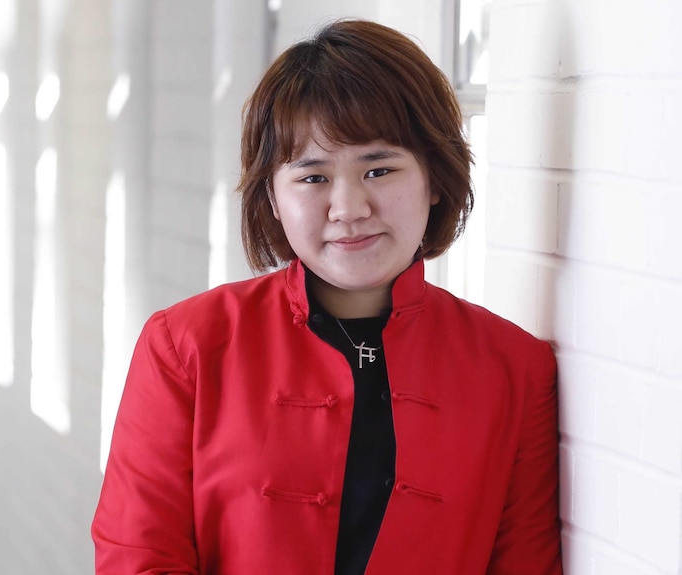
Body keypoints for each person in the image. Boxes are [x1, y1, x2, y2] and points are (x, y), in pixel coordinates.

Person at [92, 19, 562, 575]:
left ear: (434, 178)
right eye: (313, 178)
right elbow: (137, 558)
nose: (349, 208)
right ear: (271, 193)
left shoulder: (514, 369)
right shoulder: (186, 346)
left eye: (379, 168)